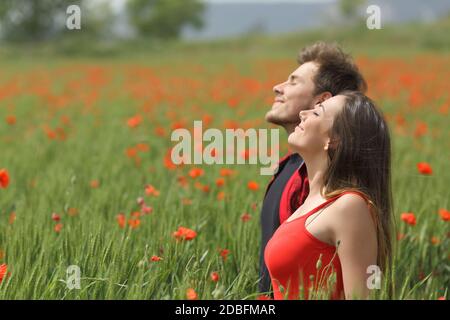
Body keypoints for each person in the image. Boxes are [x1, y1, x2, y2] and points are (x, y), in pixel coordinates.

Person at [259, 42, 367, 295]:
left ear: (321, 101)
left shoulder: (313, 181)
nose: (278, 87)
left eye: (294, 82)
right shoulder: (288, 168)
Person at [264, 91, 393, 300]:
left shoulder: (350, 206)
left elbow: (367, 293)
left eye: (317, 112)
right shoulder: (307, 204)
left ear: (335, 139)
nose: (304, 113)